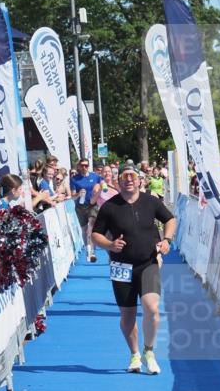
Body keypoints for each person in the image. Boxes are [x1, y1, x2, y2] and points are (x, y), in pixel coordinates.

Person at [91, 161, 177, 375]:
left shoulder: (151, 202)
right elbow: (95, 234)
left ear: (140, 180)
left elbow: (170, 219)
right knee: (127, 314)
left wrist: (166, 240)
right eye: (124, 177)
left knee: (152, 308)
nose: (129, 180)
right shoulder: (109, 206)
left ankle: (149, 351)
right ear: (118, 182)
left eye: (132, 177)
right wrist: (110, 245)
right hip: (121, 265)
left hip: (148, 262)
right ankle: (135, 354)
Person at [69, 159, 101, 262]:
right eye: (82, 165)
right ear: (78, 166)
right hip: (80, 206)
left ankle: (92, 252)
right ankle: (87, 248)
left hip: (92, 205)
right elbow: (72, 196)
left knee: (91, 227)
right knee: (84, 229)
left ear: (88, 166)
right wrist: (78, 194)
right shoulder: (74, 179)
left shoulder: (95, 176)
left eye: (86, 166)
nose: (84, 167)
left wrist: (99, 189)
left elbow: (102, 184)